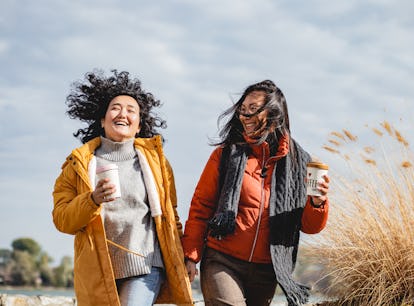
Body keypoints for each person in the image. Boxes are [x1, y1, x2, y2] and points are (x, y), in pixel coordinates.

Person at [181, 80, 330, 306]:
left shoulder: (300, 163)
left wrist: (318, 202)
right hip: (222, 260)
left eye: (253, 109)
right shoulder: (224, 156)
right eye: (242, 110)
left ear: (274, 114)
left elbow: (309, 226)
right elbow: (201, 206)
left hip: (267, 270)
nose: (244, 116)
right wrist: (190, 256)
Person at [52, 70, 192, 306]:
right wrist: (92, 199)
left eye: (131, 110)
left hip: (146, 264)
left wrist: (186, 257)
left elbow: (171, 215)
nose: (123, 114)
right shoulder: (77, 165)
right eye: (115, 108)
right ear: (102, 120)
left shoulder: (156, 163)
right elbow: (62, 219)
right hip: (98, 270)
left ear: (139, 126)